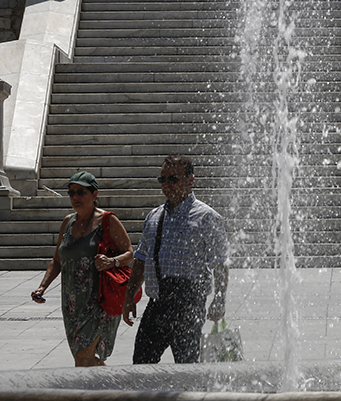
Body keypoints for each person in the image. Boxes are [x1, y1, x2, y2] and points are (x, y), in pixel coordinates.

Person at [123, 154, 228, 364]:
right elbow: (141, 260)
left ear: (190, 180)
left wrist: (219, 299)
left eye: (173, 179)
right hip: (158, 303)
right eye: (163, 180)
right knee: (141, 365)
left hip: (188, 305)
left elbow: (220, 263)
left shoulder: (207, 217)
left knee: (187, 368)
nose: (167, 185)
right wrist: (129, 296)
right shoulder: (154, 217)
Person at [31, 171, 134, 366]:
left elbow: (129, 253)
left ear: (94, 195)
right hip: (72, 304)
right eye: (71, 193)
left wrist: (112, 262)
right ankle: (106, 391)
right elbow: (57, 261)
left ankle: (113, 389)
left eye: (81, 192)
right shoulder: (68, 222)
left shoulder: (108, 221)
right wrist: (42, 287)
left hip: (98, 301)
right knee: (82, 359)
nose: (75, 197)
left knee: (83, 357)